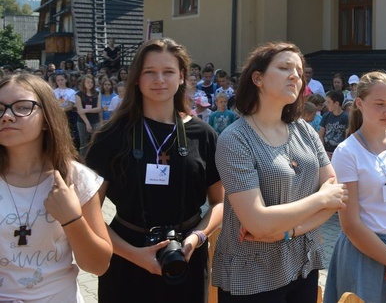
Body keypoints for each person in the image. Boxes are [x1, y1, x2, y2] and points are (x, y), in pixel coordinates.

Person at [85, 38, 224, 302]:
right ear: (136, 78)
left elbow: (220, 203)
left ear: (182, 77)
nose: (159, 79)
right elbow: (88, 212)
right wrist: (133, 254)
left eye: (168, 72)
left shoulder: (203, 134)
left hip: (185, 258)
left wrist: (196, 238)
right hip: (126, 260)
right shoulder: (110, 136)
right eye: (149, 72)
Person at [212, 41, 347, 302]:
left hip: (303, 266)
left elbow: (337, 198)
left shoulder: (305, 131)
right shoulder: (235, 139)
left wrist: (287, 232)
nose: (296, 75)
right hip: (253, 275)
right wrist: (319, 199)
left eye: (299, 70)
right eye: (285, 67)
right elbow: (258, 223)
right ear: (258, 78)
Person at [0, 74, 113, 302]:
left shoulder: (75, 178)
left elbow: (98, 265)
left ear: (46, 118)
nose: (7, 116)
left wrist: (72, 219)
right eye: (0, 109)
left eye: (22, 107)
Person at [324, 72, 386, 303]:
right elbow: (350, 224)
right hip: (364, 254)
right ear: (359, 103)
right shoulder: (347, 152)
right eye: (379, 104)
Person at [76, 74, 101, 154]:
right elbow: (80, 111)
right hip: (82, 122)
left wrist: (86, 110)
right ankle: (83, 161)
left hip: (95, 121)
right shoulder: (79, 94)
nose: (90, 84)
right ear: (84, 83)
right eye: (88, 82)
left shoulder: (97, 93)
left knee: (95, 143)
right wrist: (87, 123)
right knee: (84, 144)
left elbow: (98, 109)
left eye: (91, 82)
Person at [318, 90, 349, 156]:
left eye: (328, 102)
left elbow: (347, 138)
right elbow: (321, 135)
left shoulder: (346, 117)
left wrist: (339, 152)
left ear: (336, 103)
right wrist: (324, 151)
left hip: (340, 153)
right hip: (326, 152)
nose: (326, 104)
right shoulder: (326, 116)